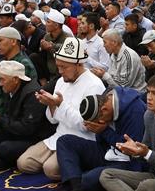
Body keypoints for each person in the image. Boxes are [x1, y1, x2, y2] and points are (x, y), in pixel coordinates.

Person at [17, 37, 104, 180]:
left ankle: (81, 169)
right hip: (59, 135)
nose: (60, 71)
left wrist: (60, 105)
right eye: (58, 66)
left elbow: (86, 126)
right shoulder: (61, 81)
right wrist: (51, 104)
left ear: (78, 64)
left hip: (80, 140)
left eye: (64, 67)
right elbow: (53, 121)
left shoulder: (94, 85)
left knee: (50, 169)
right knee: (24, 163)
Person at [56, 85, 147, 191]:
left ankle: (85, 189)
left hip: (129, 162)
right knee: (65, 141)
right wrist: (100, 131)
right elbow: (101, 143)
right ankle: (77, 187)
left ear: (104, 109)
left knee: (91, 177)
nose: (101, 122)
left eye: (99, 120)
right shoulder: (106, 97)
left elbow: (133, 151)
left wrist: (104, 131)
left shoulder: (135, 110)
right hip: (108, 151)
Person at [92, 29, 146, 93]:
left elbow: (123, 87)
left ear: (114, 43)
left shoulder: (128, 56)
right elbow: (113, 77)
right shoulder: (113, 54)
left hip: (135, 94)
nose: (103, 45)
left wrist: (104, 75)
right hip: (120, 91)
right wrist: (101, 74)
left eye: (105, 42)